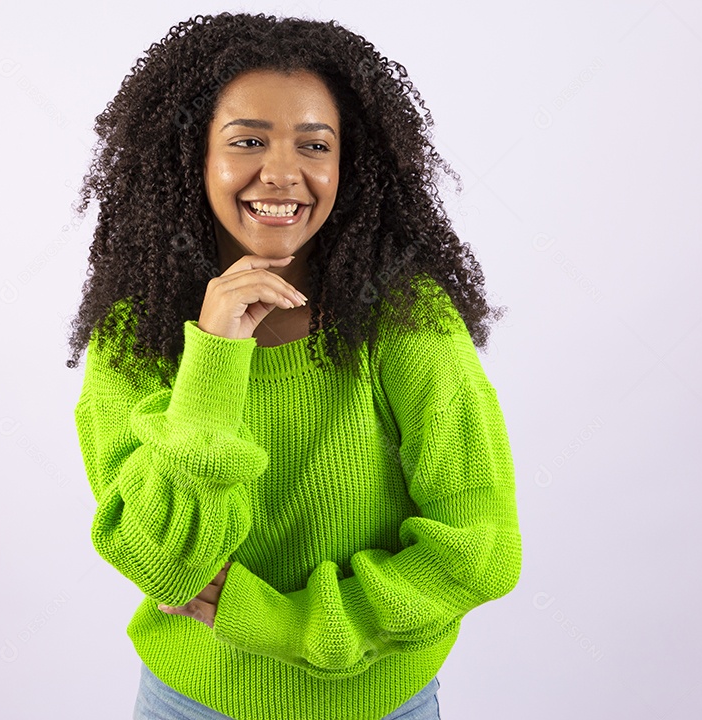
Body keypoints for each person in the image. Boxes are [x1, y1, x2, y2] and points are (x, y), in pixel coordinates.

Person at [67, 11, 522, 720]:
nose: (282, 172)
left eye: (315, 144)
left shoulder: (404, 319)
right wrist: (214, 354)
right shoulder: (135, 334)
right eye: (247, 140)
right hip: (190, 703)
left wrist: (280, 623)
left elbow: (478, 549)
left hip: (379, 707)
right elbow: (164, 566)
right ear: (192, 156)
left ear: (350, 166)